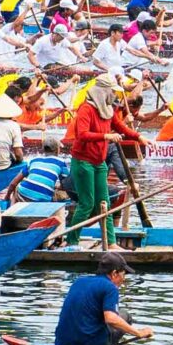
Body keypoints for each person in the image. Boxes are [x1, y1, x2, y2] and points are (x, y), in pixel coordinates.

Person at [54, 252, 153, 345]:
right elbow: (111, 319)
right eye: (123, 275)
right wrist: (138, 333)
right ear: (114, 273)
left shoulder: (79, 281)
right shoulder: (110, 287)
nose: (123, 280)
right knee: (125, 316)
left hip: (62, 344)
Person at [66, 79, 126, 244]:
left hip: (99, 163)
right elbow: (83, 135)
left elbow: (121, 127)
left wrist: (139, 137)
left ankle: (112, 243)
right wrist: (106, 136)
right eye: (112, 92)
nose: (114, 95)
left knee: (104, 203)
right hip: (83, 163)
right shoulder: (86, 109)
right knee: (87, 204)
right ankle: (72, 241)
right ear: (103, 92)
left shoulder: (107, 110)